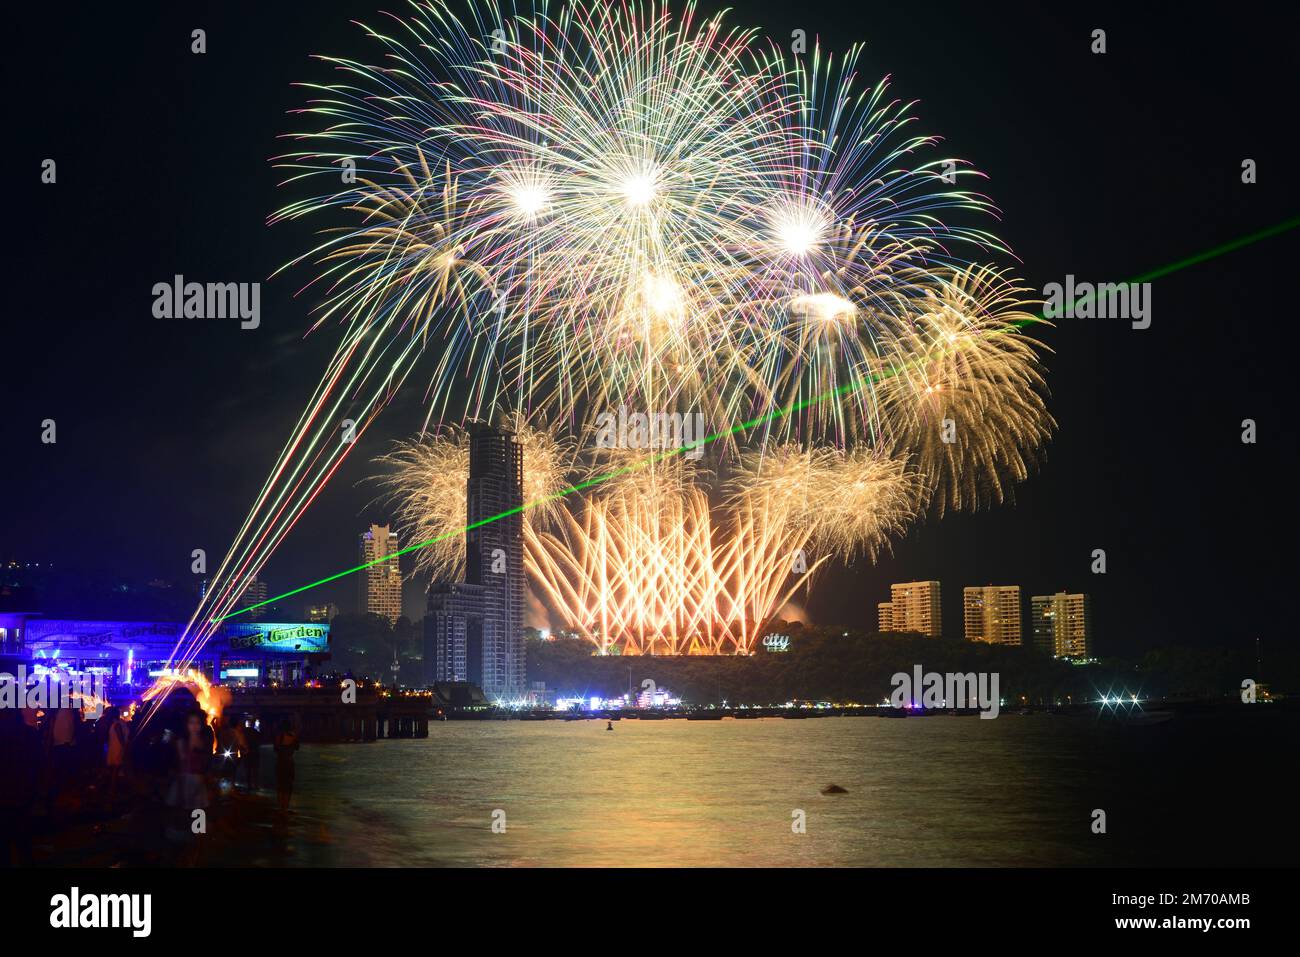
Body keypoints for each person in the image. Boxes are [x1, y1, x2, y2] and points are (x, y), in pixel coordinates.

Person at [0, 708, 42, 866]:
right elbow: (38, 760)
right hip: (23, 790)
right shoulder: (29, 734)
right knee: (23, 834)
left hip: (4, 792)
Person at [102, 707, 130, 811]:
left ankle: (112, 794)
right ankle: (115, 792)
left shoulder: (117, 724)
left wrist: (124, 749)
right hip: (117, 748)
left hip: (117, 749)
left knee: (115, 771)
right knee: (117, 770)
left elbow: (120, 738)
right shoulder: (120, 723)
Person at [273, 721, 299, 812]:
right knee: (288, 786)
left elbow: (275, 749)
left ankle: (279, 807)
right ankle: (285, 807)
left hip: (280, 763)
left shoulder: (278, 737)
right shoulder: (293, 737)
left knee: (280, 785)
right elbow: (297, 747)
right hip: (289, 763)